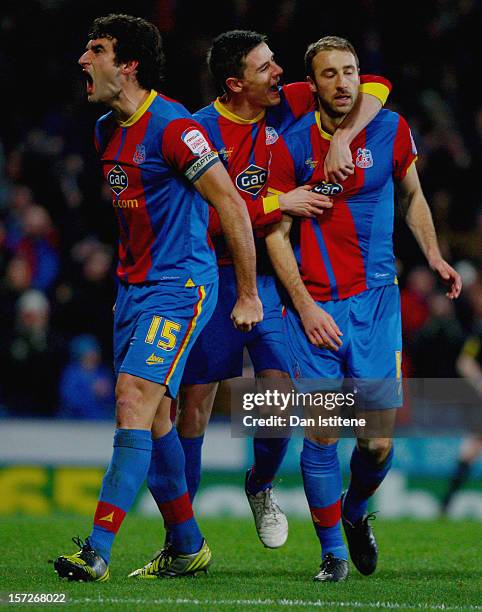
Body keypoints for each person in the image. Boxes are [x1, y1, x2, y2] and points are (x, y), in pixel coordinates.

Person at [131, 29, 391, 577]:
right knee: (196, 405)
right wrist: (279, 199)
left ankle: (261, 485)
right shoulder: (195, 130)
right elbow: (206, 213)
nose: (281, 74)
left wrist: (344, 139)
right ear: (236, 83)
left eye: (276, 64)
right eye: (266, 66)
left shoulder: (290, 101)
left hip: (270, 279)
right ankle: (183, 537)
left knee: (279, 396)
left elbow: (377, 85)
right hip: (212, 278)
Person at [54, 14, 262, 582]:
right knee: (158, 419)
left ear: (128, 65)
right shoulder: (105, 131)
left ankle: (96, 550)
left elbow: (232, 205)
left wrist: (246, 294)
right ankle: (186, 544)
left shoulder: (174, 128)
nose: (82, 61)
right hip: (133, 292)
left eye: (94, 49)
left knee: (132, 397)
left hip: (182, 287)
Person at [265, 36, 462, 582]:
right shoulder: (291, 143)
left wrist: (435, 255)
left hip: (377, 304)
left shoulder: (391, 129)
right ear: (313, 84)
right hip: (316, 308)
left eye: (350, 71)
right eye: (329, 74)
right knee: (324, 433)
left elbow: (413, 195)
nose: (343, 82)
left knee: (376, 442)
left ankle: (354, 511)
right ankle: (331, 554)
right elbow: (276, 235)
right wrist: (303, 307)